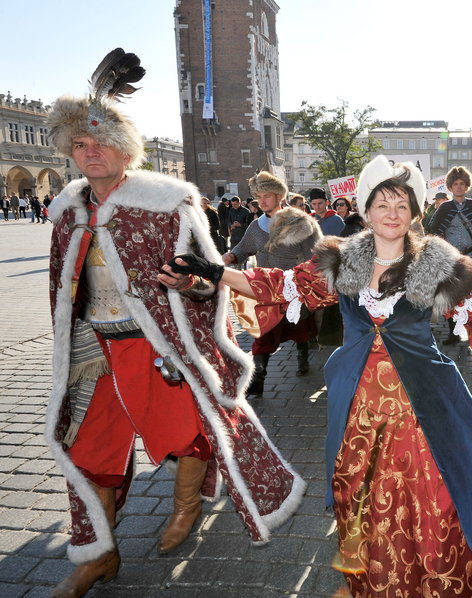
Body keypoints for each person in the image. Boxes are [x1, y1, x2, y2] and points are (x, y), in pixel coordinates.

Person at [167, 155, 472, 597]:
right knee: (359, 494)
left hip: (425, 403)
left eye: (402, 204)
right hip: (357, 404)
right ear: (365, 209)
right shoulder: (341, 261)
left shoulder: (436, 263)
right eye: (382, 203)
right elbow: (278, 285)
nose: (392, 213)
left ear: (416, 212)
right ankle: (371, 582)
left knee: (433, 499)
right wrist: (215, 272)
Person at [44, 49, 304, 598]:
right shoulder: (66, 211)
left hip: (158, 346)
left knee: (186, 435)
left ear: (125, 149)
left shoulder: (168, 203)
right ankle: (98, 553)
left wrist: (191, 283)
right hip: (94, 348)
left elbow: (210, 280)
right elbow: (60, 290)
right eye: (80, 145)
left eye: (101, 142)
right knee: (87, 450)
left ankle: (184, 510)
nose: (90, 153)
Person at [223, 171, 321, 388]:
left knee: (300, 329)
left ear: (279, 196)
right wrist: (230, 256)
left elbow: (315, 257)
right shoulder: (256, 226)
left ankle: (302, 356)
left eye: (267, 195)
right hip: (265, 290)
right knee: (263, 334)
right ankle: (258, 379)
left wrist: (308, 282)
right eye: (259, 197)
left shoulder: (300, 223)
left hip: (294, 289)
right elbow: (242, 248)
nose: (262, 201)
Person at [428, 166, 472, 342]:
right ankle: (453, 332)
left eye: (462, 183)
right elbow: (434, 233)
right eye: (455, 184)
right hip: (452, 259)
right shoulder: (445, 207)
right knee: (451, 295)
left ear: (466, 186)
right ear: (450, 186)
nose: (458, 187)